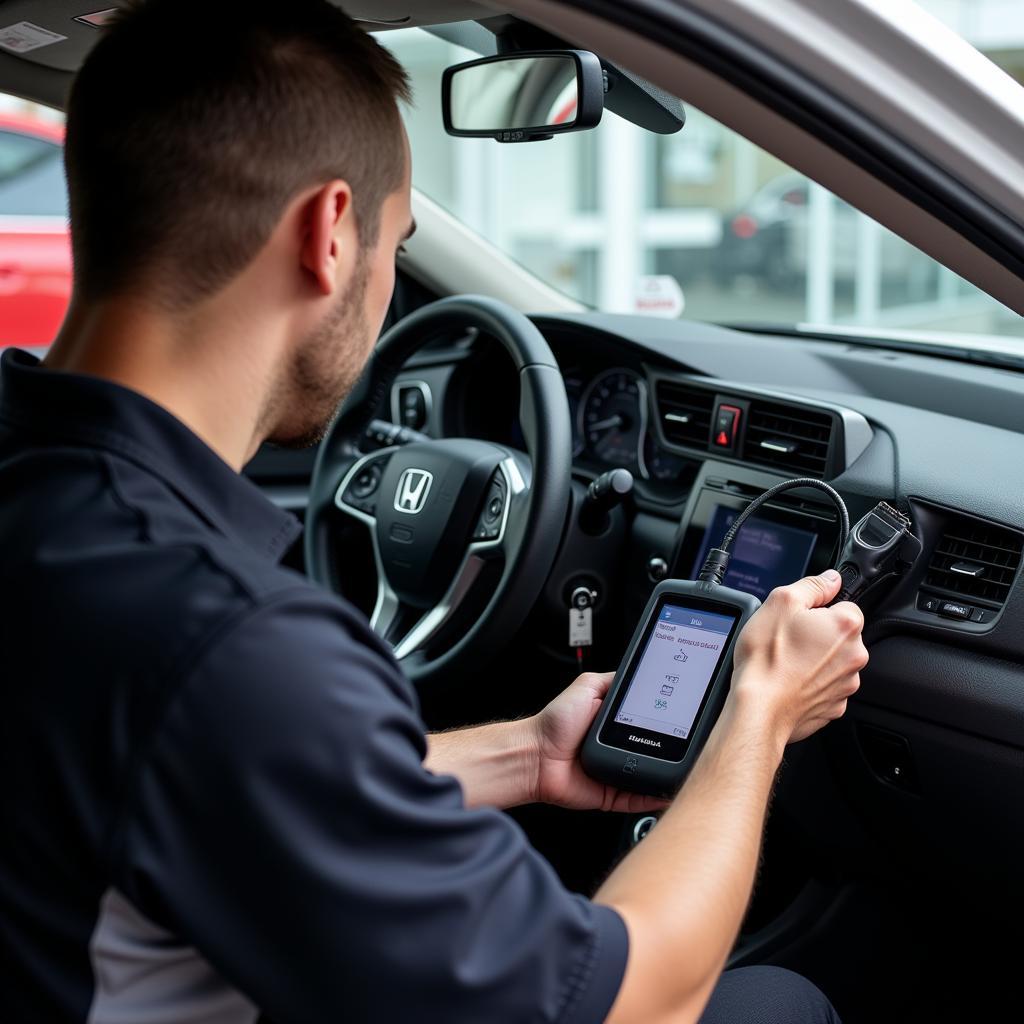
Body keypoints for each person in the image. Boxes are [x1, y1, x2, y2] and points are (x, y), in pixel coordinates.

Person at [0, 2, 867, 1022]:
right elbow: (634, 1001)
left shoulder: (58, 514)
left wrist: (527, 755)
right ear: (330, 234)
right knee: (780, 1004)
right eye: (395, 243)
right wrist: (757, 718)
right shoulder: (223, 639)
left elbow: (227, 776)